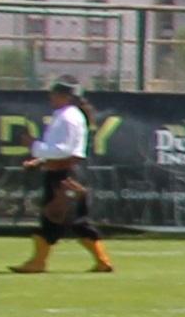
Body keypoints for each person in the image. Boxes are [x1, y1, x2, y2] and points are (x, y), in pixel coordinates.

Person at [11, 85, 112, 273]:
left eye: (54, 94)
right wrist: (40, 161)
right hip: (61, 172)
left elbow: (64, 150)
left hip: (65, 175)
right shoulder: (64, 116)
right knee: (69, 220)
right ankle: (102, 261)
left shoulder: (68, 117)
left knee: (57, 218)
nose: (51, 98)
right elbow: (60, 149)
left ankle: (38, 262)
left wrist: (34, 145)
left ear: (65, 97)